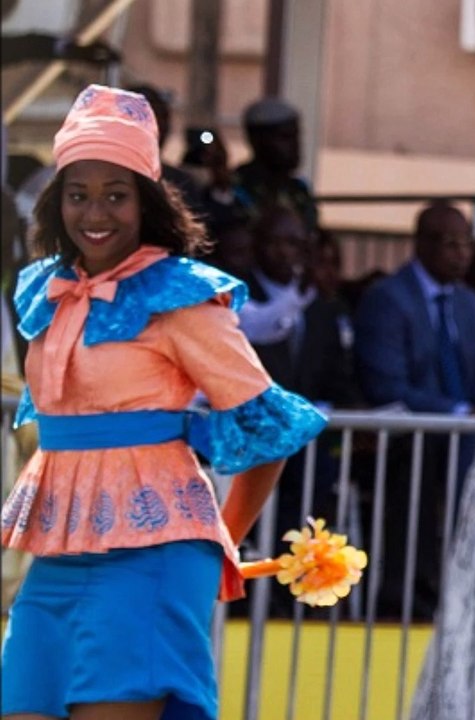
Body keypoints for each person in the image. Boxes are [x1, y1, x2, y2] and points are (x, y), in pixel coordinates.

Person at [0, 84, 326, 719]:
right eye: (79, 194)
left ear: (146, 202)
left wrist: (220, 543)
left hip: (152, 561)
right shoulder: (49, 292)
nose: (95, 212)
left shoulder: (180, 296)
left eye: (116, 195)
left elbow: (269, 430)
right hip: (57, 563)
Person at [354, 202, 475, 619]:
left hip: (464, 433)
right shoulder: (388, 299)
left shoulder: (469, 303)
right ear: (422, 245)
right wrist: (455, 411)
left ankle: (469, 587)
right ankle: (411, 590)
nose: (461, 254)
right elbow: (384, 383)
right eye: (451, 244)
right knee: (423, 463)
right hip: (405, 438)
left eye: (467, 245)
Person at [231, 97, 318, 232]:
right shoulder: (235, 187)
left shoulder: (299, 189)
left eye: (296, 136)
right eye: (285, 137)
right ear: (257, 140)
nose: (295, 145)